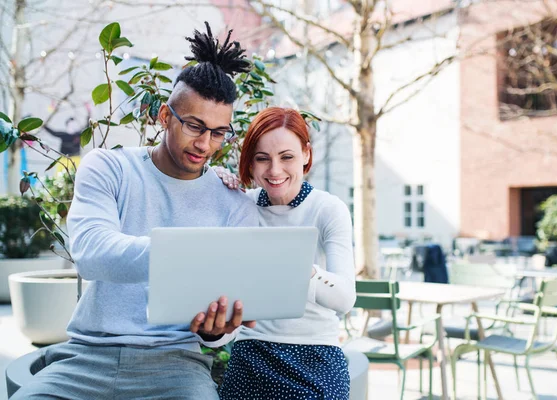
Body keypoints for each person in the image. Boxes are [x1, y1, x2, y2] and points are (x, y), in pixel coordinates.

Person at [12, 23, 258, 400]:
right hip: (85, 357)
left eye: (219, 132)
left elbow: (228, 313)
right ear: (164, 117)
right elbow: (93, 254)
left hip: (177, 364)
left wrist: (217, 331)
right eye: (194, 126)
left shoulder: (233, 201)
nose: (206, 144)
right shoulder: (108, 168)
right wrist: (194, 254)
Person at [208, 107, 356, 400]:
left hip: (317, 353)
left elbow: (345, 298)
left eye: (286, 157)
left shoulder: (328, 209)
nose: (275, 171)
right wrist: (212, 188)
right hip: (253, 349)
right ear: (250, 164)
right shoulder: (241, 206)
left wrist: (296, 265)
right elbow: (221, 299)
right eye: (262, 159)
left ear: (306, 155)